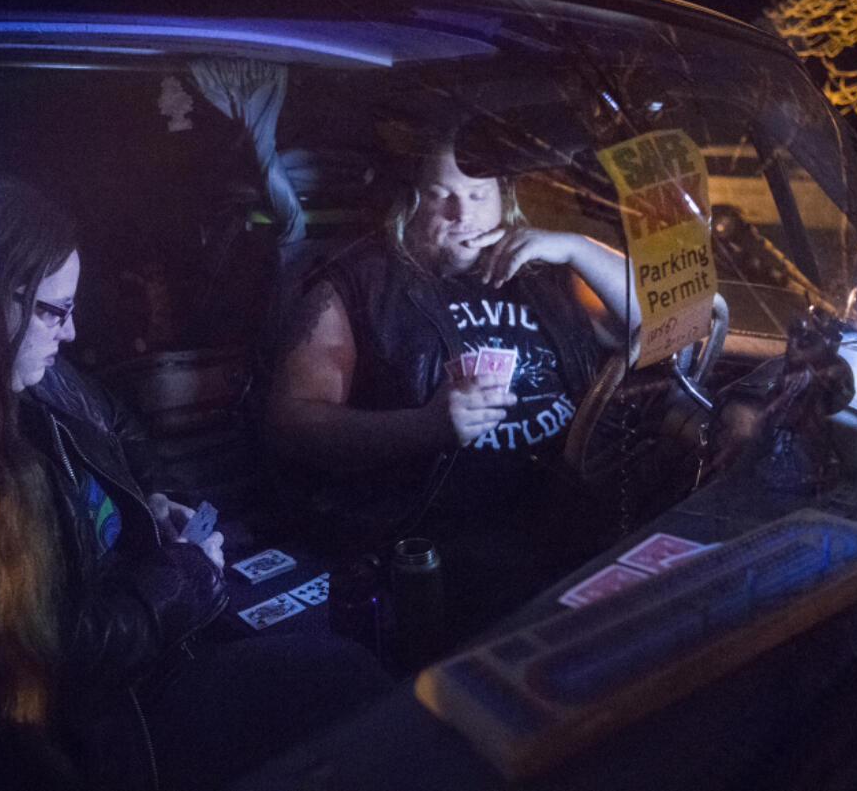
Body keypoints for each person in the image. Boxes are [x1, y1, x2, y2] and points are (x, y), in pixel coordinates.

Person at [0, 177, 384, 790]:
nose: (72, 333)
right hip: (89, 731)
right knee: (347, 682)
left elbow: (123, 434)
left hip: (140, 654)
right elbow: (33, 655)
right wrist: (181, 585)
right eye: (54, 311)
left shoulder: (31, 379)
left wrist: (156, 504)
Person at [267, 136, 641, 633]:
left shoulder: (545, 273)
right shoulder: (358, 283)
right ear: (409, 202)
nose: (462, 212)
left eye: (479, 194)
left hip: (564, 512)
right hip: (441, 539)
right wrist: (424, 427)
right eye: (442, 194)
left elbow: (673, 320)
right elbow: (293, 420)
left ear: (504, 200)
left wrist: (575, 247)